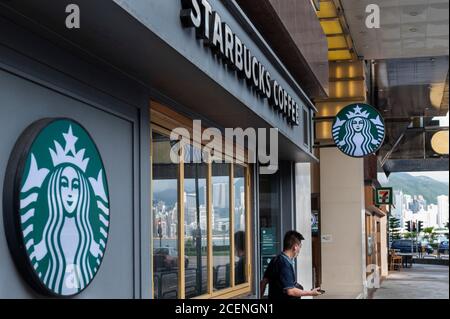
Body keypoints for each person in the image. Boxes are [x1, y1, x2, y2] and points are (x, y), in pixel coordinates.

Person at [260, 230, 323, 299]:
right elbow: (290, 291)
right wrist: (311, 293)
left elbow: (264, 282)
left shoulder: (275, 259)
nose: (299, 250)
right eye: (300, 246)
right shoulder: (284, 264)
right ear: (295, 247)